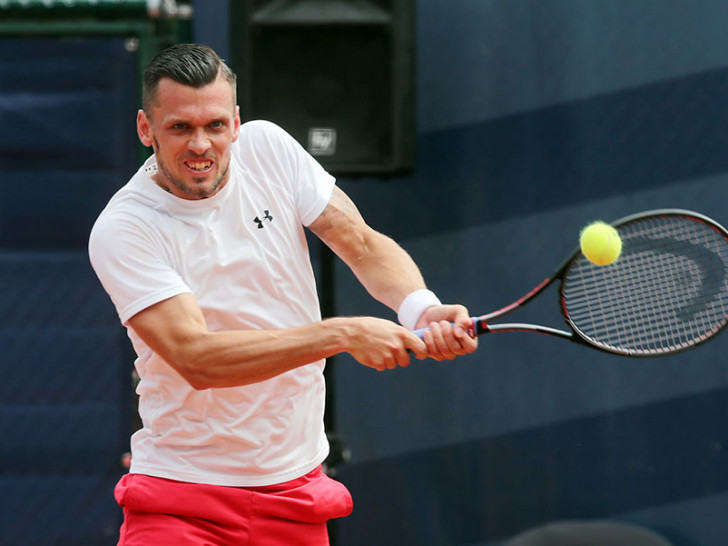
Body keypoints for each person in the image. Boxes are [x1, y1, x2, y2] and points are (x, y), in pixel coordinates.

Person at [88, 43, 478, 546]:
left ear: (236, 120)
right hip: (182, 501)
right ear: (147, 128)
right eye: (180, 127)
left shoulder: (269, 148)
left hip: (295, 493)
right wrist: (342, 332)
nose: (201, 145)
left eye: (215, 126)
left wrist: (421, 307)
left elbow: (359, 243)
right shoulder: (126, 228)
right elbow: (197, 358)